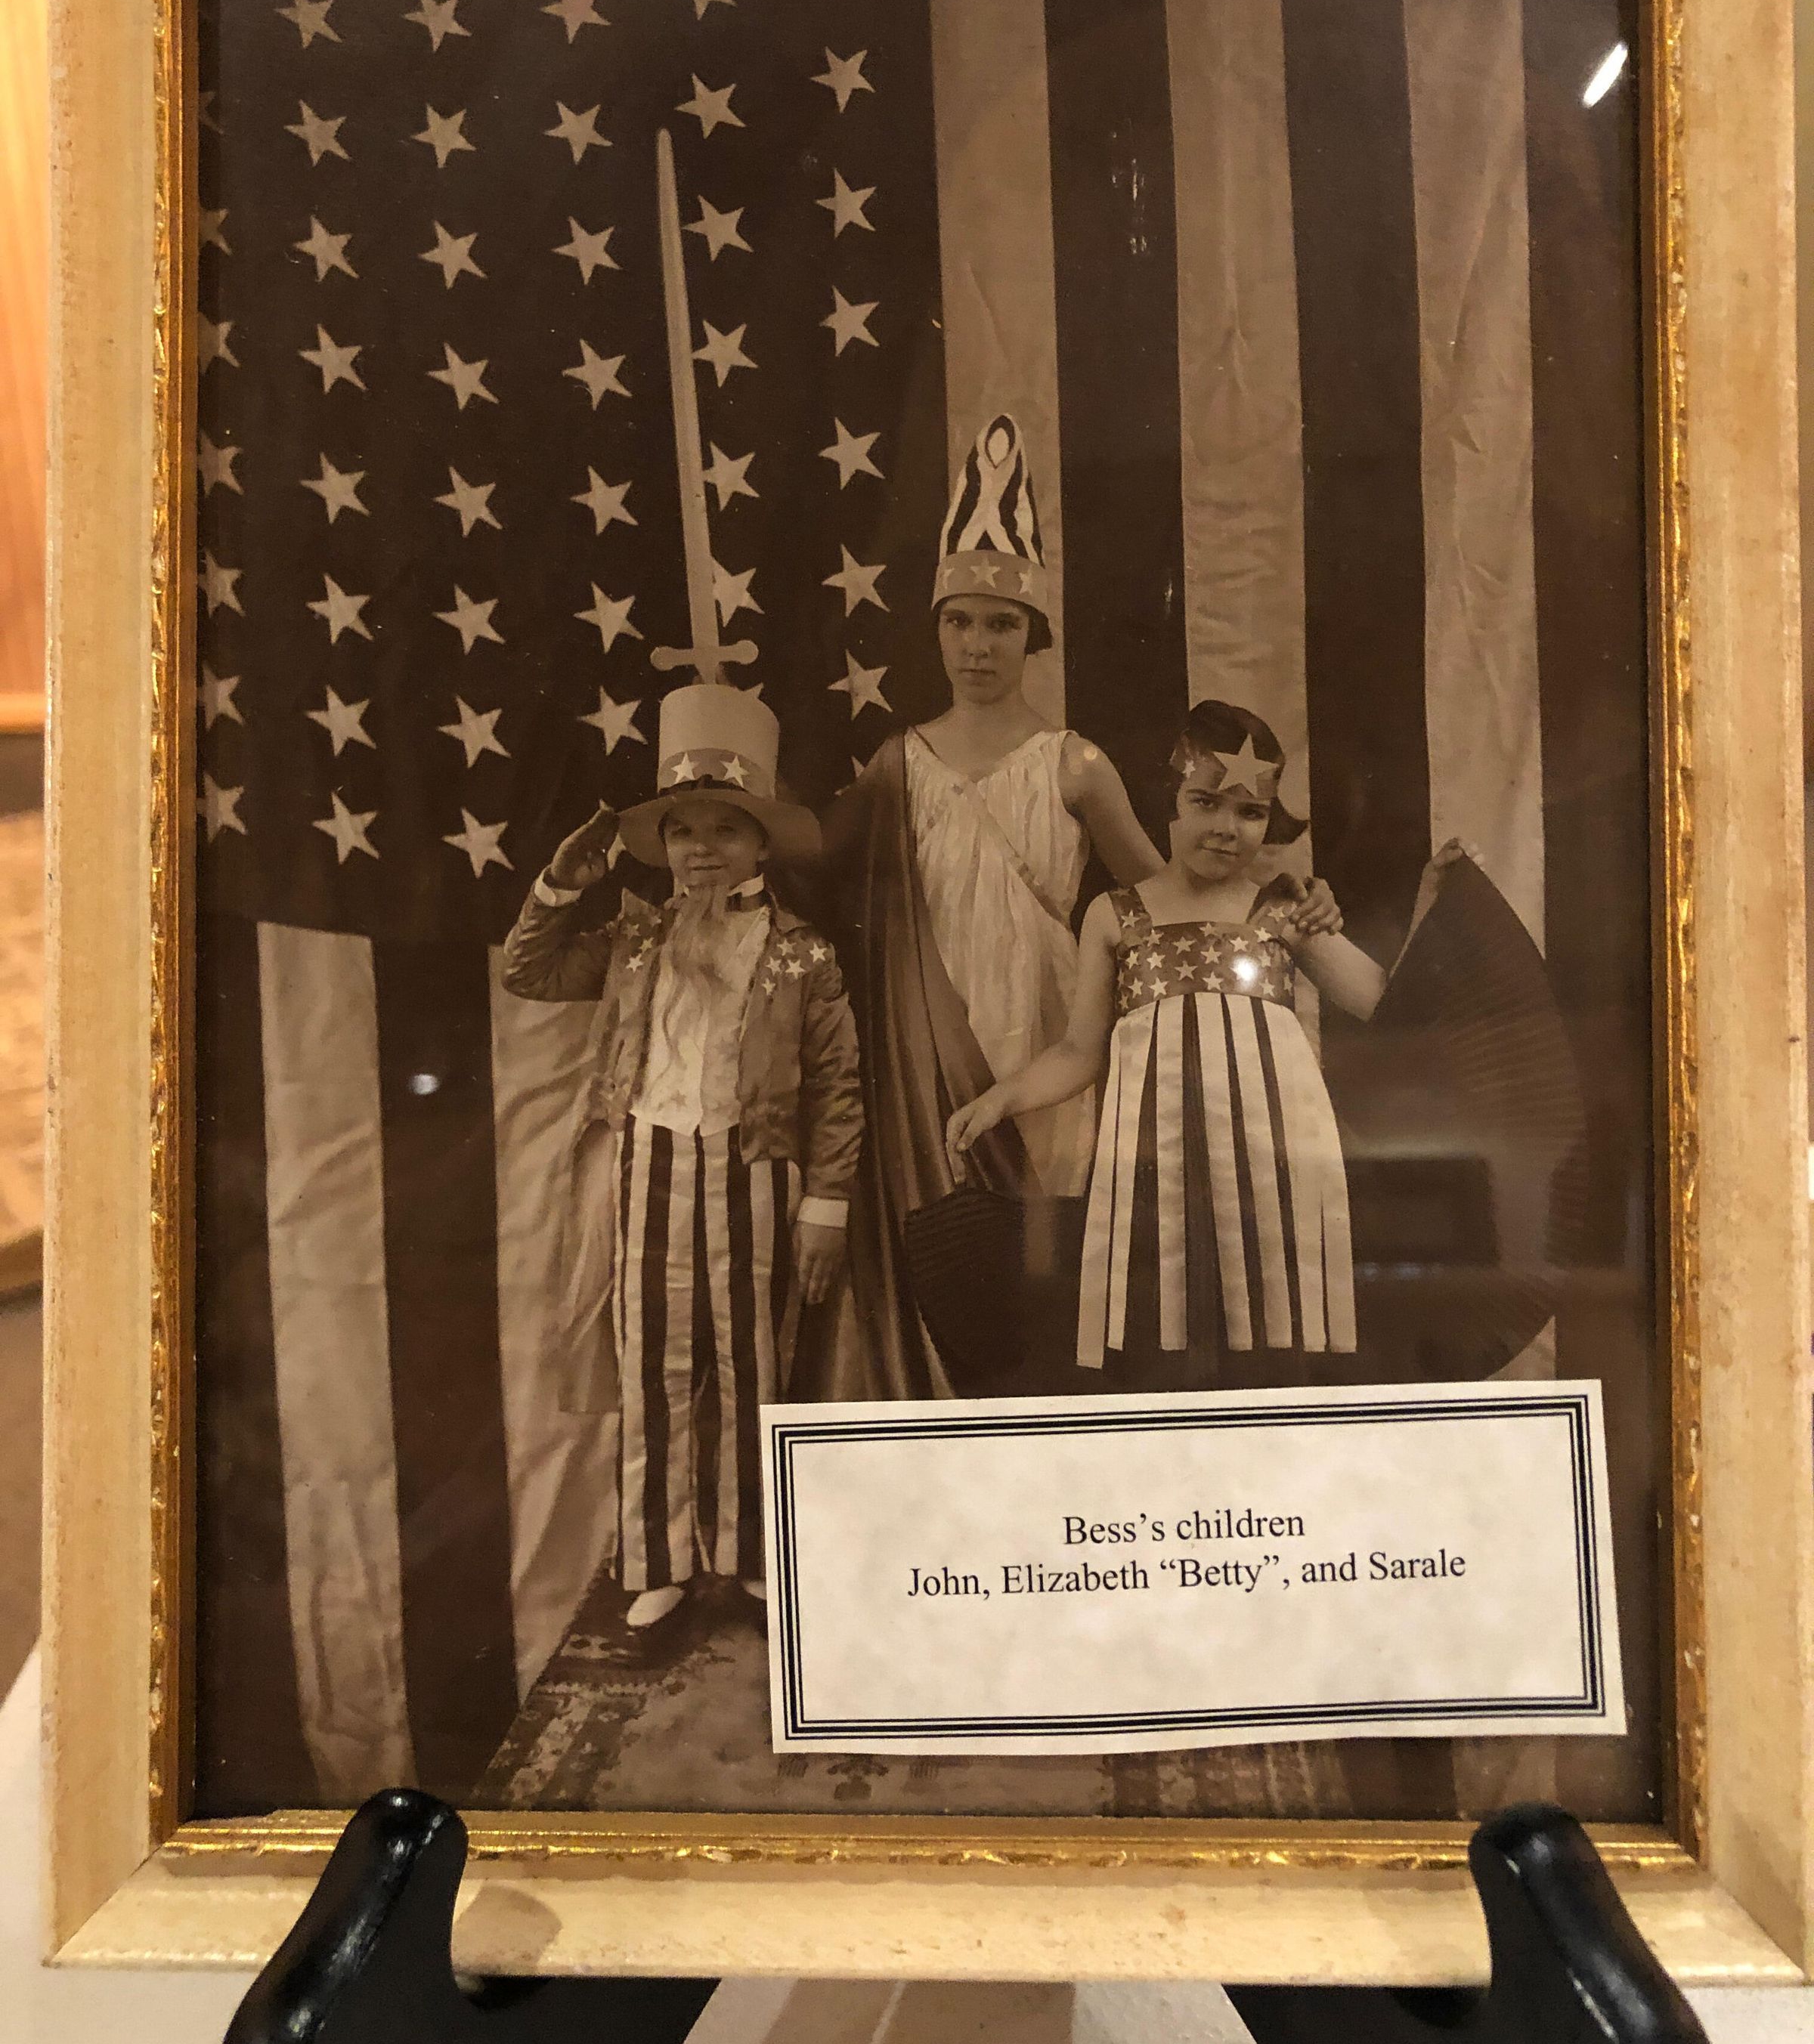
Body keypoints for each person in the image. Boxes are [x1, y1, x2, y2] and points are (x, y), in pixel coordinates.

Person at [948, 698, 1466, 1387]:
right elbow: (1078, 1053)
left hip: (1271, 1181)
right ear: (1171, 801)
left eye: (1250, 812)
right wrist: (1000, 1099)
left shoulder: (1285, 910)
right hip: (1154, 1180)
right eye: (1205, 802)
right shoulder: (1116, 915)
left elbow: (1382, 1002)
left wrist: (1431, 899)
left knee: (1267, 1345)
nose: (1226, 827)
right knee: (1162, 1345)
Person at [503, 683, 862, 1631]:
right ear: (661, 845)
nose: (703, 848)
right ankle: (656, 1561)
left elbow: (837, 1085)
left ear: (762, 843)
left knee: (753, 1363)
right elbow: (527, 969)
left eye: (726, 828)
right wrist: (559, 885)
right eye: (684, 830)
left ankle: (750, 1551)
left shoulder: (800, 954)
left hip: (755, 1170)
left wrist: (826, 1200)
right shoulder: (635, 939)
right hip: (650, 1164)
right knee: (652, 1369)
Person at [818, 412, 1161, 1396]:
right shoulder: (897, 766)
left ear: (1032, 635)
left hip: (1045, 1042)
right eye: (960, 621)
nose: (978, 645)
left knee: (1039, 1271)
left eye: (1001, 624)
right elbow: (817, 874)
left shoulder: (1074, 764)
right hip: (923, 1052)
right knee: (945, 1267)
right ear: (935, 628)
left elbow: (1157, 902)